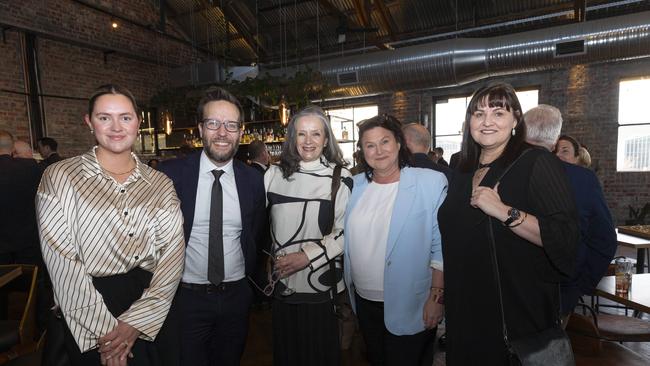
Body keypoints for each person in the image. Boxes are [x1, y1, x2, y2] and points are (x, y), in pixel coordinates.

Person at [36, 84, 185, 366]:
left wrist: (136, 323)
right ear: (89, 122)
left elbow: (172, 258)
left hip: (151, 304)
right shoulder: (59, 176)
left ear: (138, 123)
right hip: (84, 306)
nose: (116, 126)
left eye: (125, 117)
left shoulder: (160, 183)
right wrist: (106, 335)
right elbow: (61, 260)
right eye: (104, 117)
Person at [438, 83, 578, 365]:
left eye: (498, 113)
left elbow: (565, 238)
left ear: (516, 119)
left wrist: (504, 211)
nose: (487, 121)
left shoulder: (536, 162)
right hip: (465, 309)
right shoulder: (462, 168)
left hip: (514, 313)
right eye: (478, 114)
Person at [159, 87, 267, 366]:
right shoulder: (171, 175)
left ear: (241, 132)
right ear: (200, 129)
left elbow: (255, 234)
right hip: (186, 298)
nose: (222, 132)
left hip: (236, 298)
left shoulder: (252, 181)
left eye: (231, 125)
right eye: (213, 123)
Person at [344, 114, 447, 366]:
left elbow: (440, 246)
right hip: (364, 302)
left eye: (385, 141)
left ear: (400, 144)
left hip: (413, 303)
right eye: (370, 145)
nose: (378, 151)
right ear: (362, 152)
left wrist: (436, 298)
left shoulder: (429, 183)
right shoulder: (351, 186)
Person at [264, 105, 352, 366]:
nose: (308, 141)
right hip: (282, 285)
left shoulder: (340, 177)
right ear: (292, 138)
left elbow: (346, 233)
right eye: (301, 134)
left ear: (326, 139)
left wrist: (306, 257)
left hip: (321, 287)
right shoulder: (273, 175)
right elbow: (259, 227)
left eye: (316, 134)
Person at [524, 104, 616, 319]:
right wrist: (581, 284)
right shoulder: (583, 179)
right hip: (561, 284)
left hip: (518, 284)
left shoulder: (504, 171)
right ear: (554, 141)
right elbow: (604, 239)